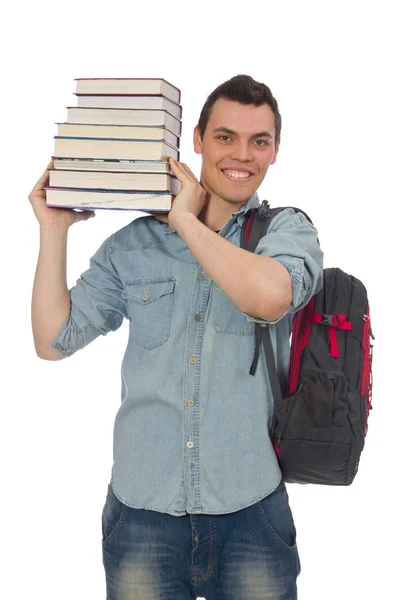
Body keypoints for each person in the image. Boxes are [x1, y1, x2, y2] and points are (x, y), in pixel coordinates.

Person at [29, 74, 323, 600]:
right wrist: (53, 231)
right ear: (197, 140)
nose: (242, 155)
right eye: (225, 137)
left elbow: (270, 297)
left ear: (276, 150)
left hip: (251, 513)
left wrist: (186, 221)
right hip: (142, 518)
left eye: (260, 141)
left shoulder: (287, 232)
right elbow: (53, 341)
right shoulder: (134, 245)